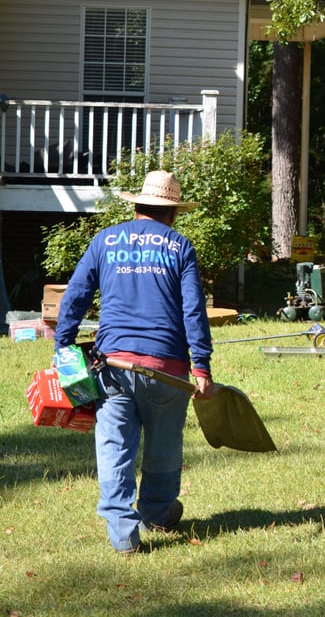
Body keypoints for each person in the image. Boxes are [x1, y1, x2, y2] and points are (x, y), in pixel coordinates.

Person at [55, 170, 214, 554]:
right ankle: (158, 512)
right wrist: (202, 366)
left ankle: (123, 534)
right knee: (164, 444)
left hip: (113, 367)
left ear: (138, 204)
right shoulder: (180, 247)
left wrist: (63, 347)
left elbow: (75, 295)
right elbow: (193, 310)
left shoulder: (105, 240)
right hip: (168, 370)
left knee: (115, 446)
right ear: (172, 211)